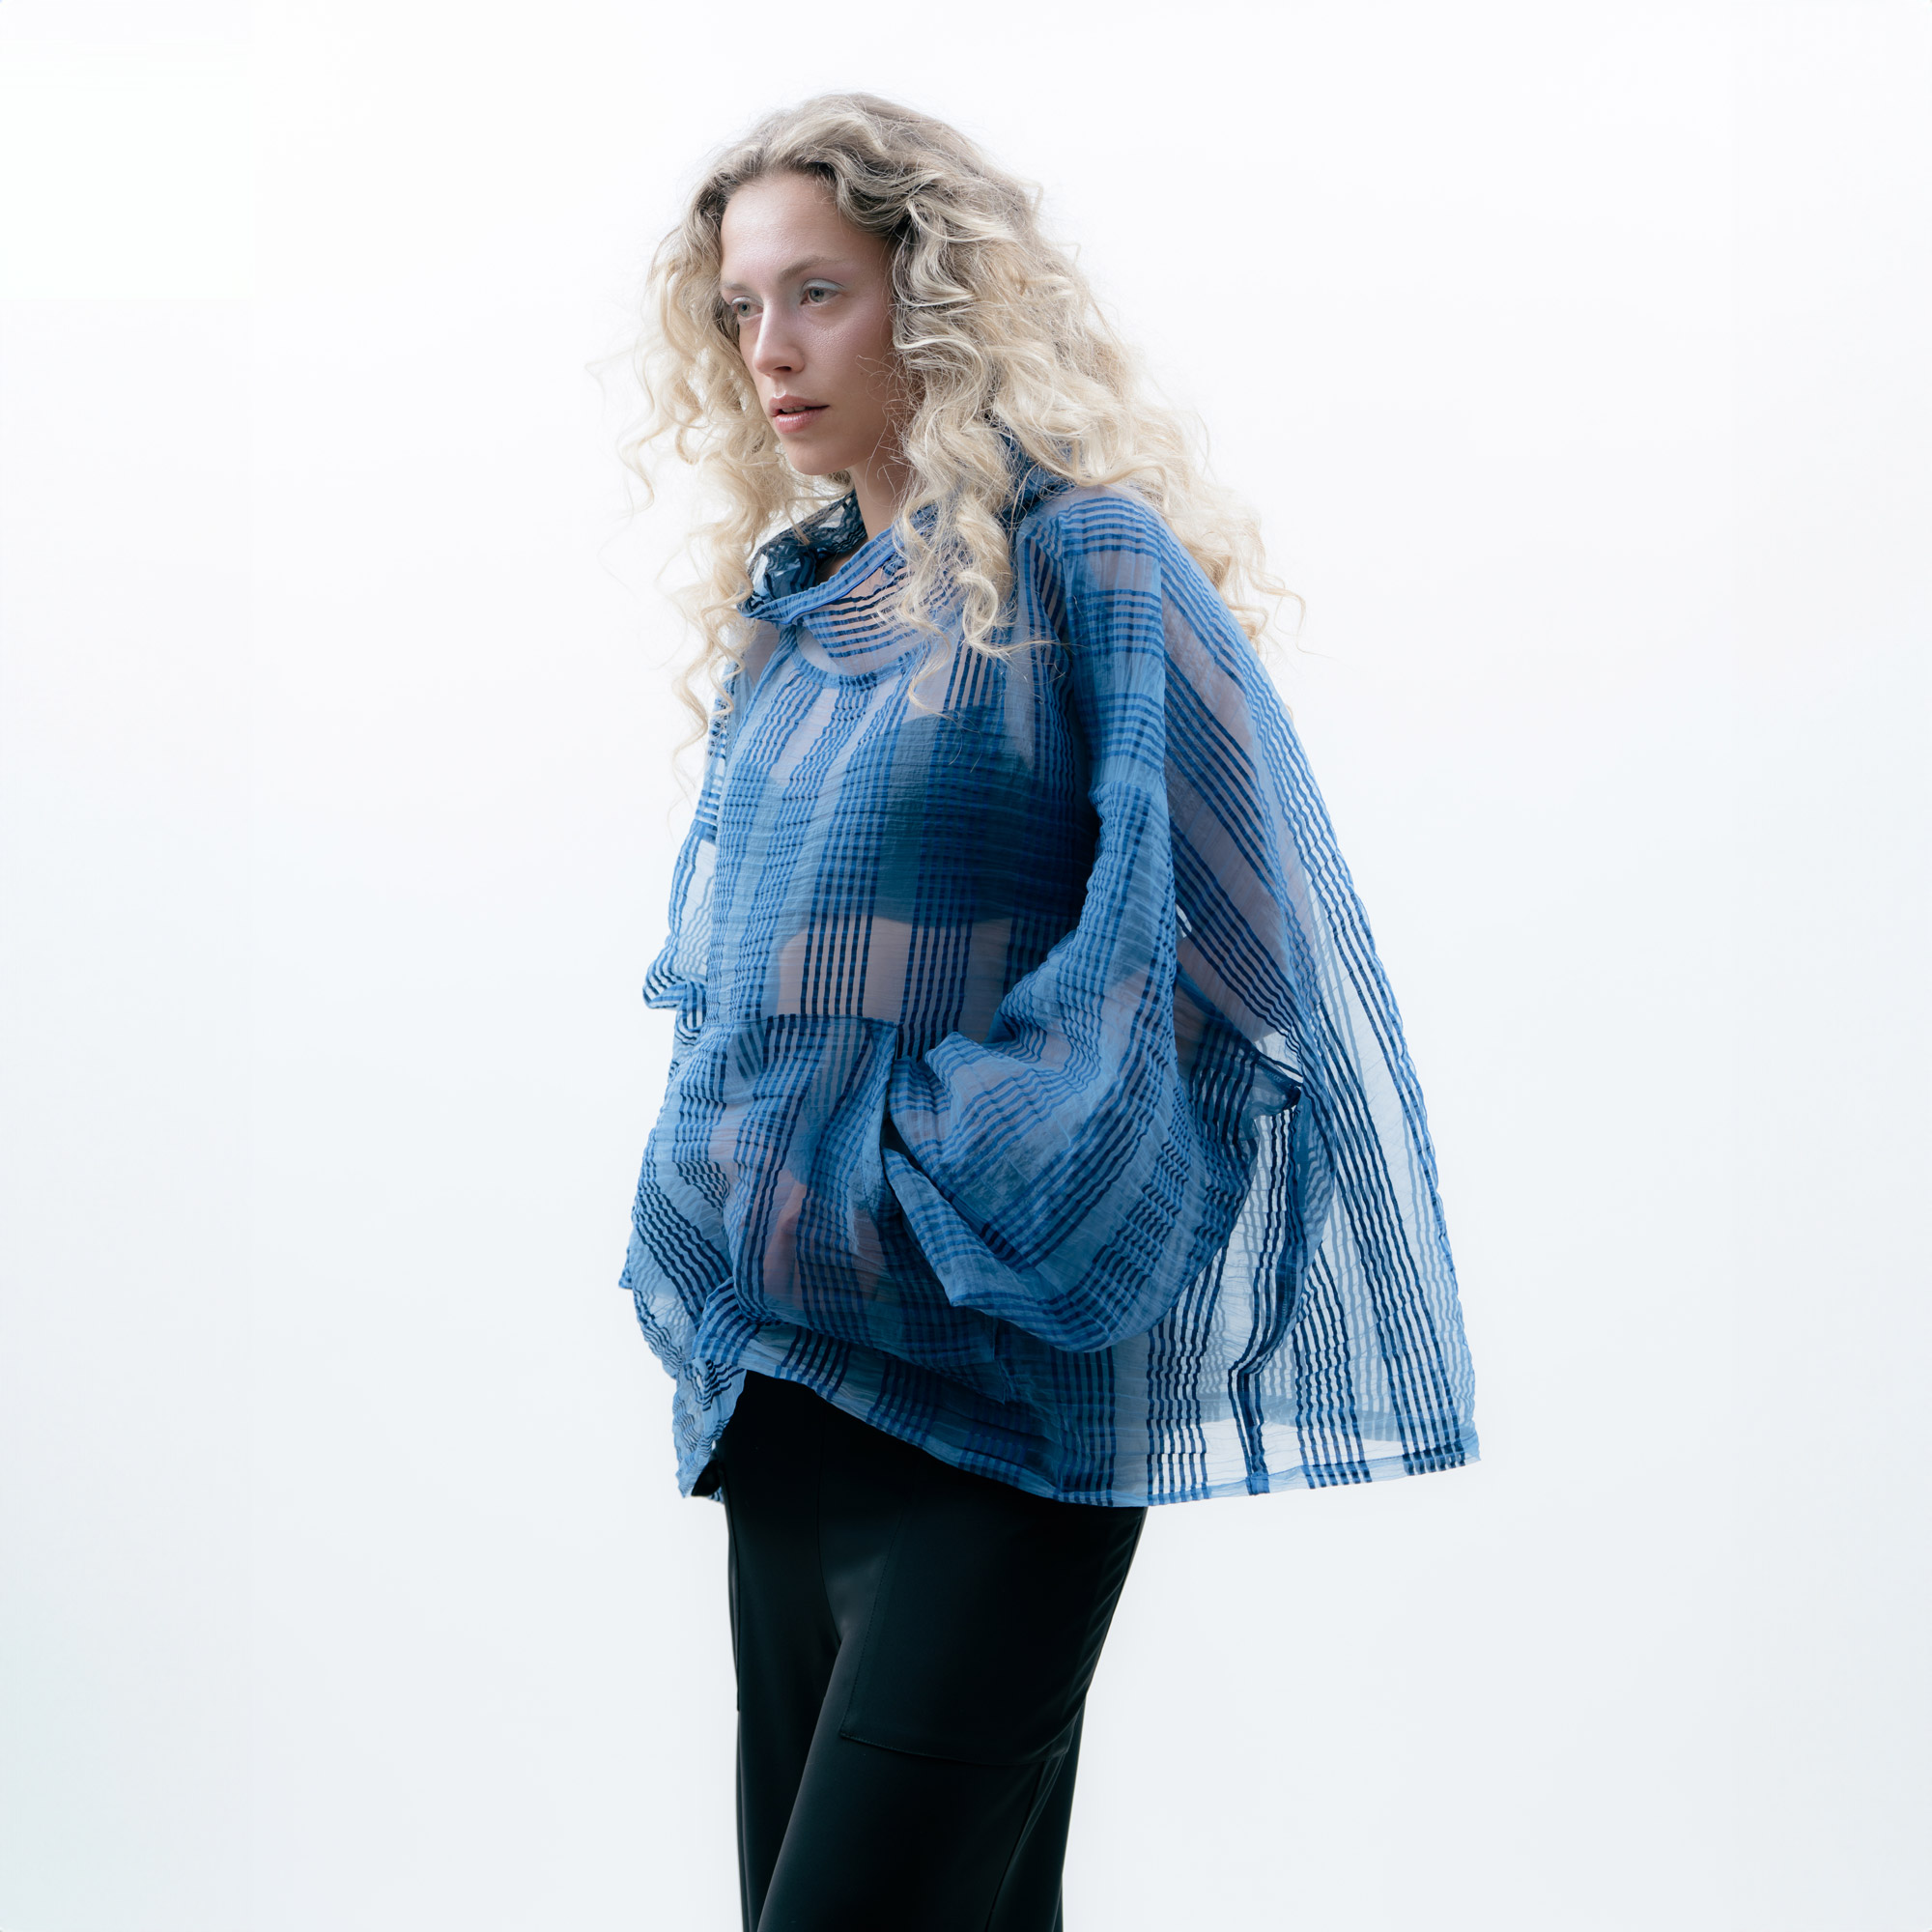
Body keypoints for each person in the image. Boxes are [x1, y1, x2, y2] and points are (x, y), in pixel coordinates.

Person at [618, 93, 1478, 1932]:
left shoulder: (1090, 564)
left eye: (818, 292)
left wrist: (940, 1165)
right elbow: (740, 999)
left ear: (934, 294)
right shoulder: (798, 617)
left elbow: (1218, 960)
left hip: (1004, 1388)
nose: (769, 349)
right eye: (740, 308)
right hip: (789, 1386)